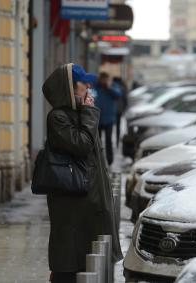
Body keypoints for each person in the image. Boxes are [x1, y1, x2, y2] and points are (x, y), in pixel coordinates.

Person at [42, 64, 123, 283]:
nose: (88, 87)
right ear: (69, 87)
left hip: (90, 197)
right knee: (71, 260)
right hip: (74, 201)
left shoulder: (79, 113)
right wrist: (88, 113)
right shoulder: (58, 118)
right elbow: (81, 145)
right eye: (83, 83)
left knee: (89, 258)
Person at [94, 72, 121, 165]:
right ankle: (98, 160)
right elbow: (91, 95)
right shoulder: (96, 86)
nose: (103, 81)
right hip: (97, 118)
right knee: (98, 141)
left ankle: (110, 160)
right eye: (102, 79)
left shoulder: (113, 86)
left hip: (109, 118)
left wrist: (109, 87)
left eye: (105, 79)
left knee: (109, 140)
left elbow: (118, 95)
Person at [112, 77, 128, 147]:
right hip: (119, 109)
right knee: (118, 126)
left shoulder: (112, 86)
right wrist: (124, 108)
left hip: (112, 109)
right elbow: (125, 99)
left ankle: (114, 141)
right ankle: (117, 142)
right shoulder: (122, 87)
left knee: (110, 126)